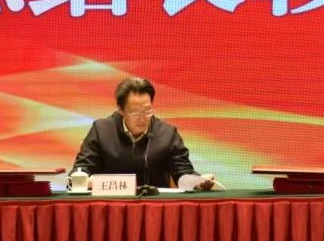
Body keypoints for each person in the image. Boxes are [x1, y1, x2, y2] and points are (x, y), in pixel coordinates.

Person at [73, 77, 222, 191]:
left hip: (154, 210)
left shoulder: (167, 133)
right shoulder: (101, 130)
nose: (142, 118)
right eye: (135, 112)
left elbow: (182, 171)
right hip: (110, 208)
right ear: (120, 109)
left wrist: (198, 181)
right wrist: (82, 179)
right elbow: (82, 168)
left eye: (147, 110)